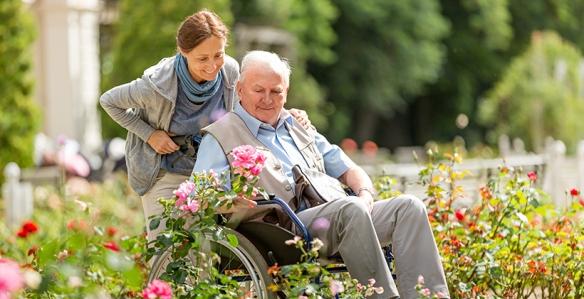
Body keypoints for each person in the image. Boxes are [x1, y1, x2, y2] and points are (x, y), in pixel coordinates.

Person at [193, 51, 450, 299]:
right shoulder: (221, 136)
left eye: (276, 91)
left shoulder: (298, 126)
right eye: (258, 90)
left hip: (337, 215)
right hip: (281, 230)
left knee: (408, 207)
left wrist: (364, 194)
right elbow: (203, 194)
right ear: (239, 90)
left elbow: (351, 170)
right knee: (350, 209)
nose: (268, 99)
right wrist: (232, 201)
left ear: (287, 92)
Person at [100, 10, 310, 241]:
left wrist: (286, 114)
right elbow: (108, 101)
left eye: (217, 55)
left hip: (211, 172)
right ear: (183, 52)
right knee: (170, 248)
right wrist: (149, 135)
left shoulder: (229, 70)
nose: (212, 66)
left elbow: (249, 104)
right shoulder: (157, 85)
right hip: (165, 172)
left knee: (212, 249)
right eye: (202, 58)